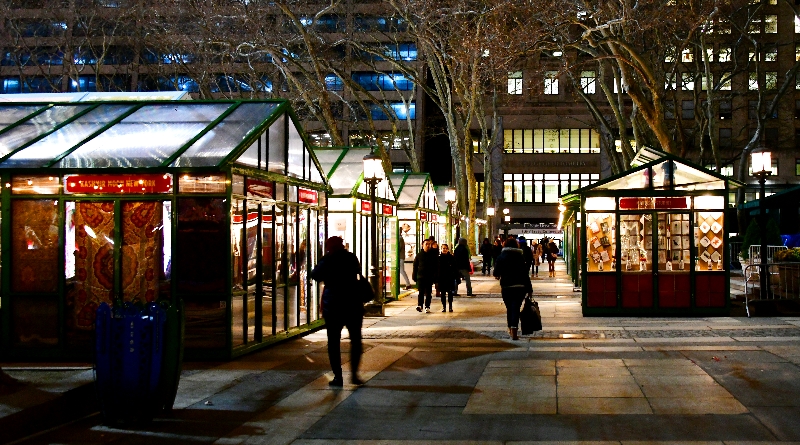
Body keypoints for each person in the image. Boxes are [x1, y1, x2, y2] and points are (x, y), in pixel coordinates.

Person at [310, 236, 365, 386]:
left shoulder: (327, 259)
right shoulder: (350, 257)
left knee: (333, 342)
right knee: (356, 339)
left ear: (329, 247)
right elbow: (357, 271)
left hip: (333, 304)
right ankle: (354, 374)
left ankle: (338, 377)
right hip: (352, 302)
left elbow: (314, 275)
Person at [493, 238, 533, 340]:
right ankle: (514, 330)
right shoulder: (520, 257)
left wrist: (499, 275)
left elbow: (496, 273)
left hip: (507, 287)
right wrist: (529, 289)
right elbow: (525, 274)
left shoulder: (501, 257)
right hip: (520, 287)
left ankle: (511, 329)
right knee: (515, 307)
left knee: (510, 308)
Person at [412, 239, 438, 313]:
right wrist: (414, 275)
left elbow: (436, 267)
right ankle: (420, 305)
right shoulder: (419, 255)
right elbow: (415, 266)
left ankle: (427, 306)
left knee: (428, 293)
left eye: (429, 244)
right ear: (422, 245)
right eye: (426, 244)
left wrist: (435, 277)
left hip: (429, 277)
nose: (428, 246)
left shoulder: (433, 256)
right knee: (421, 292)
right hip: (421, 277)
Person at [437, 243, 458, 312]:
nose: (445, 250)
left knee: (450, 293)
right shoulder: (439, 258)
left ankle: (450, 306)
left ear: (448, 249)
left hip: (450, 278)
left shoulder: (451, 258)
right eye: (443, 248)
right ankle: (444, 306)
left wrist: (456, 277)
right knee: (443, 293)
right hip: (442, 278)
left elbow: (455, 268)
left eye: (446, 248)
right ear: (441, 249)